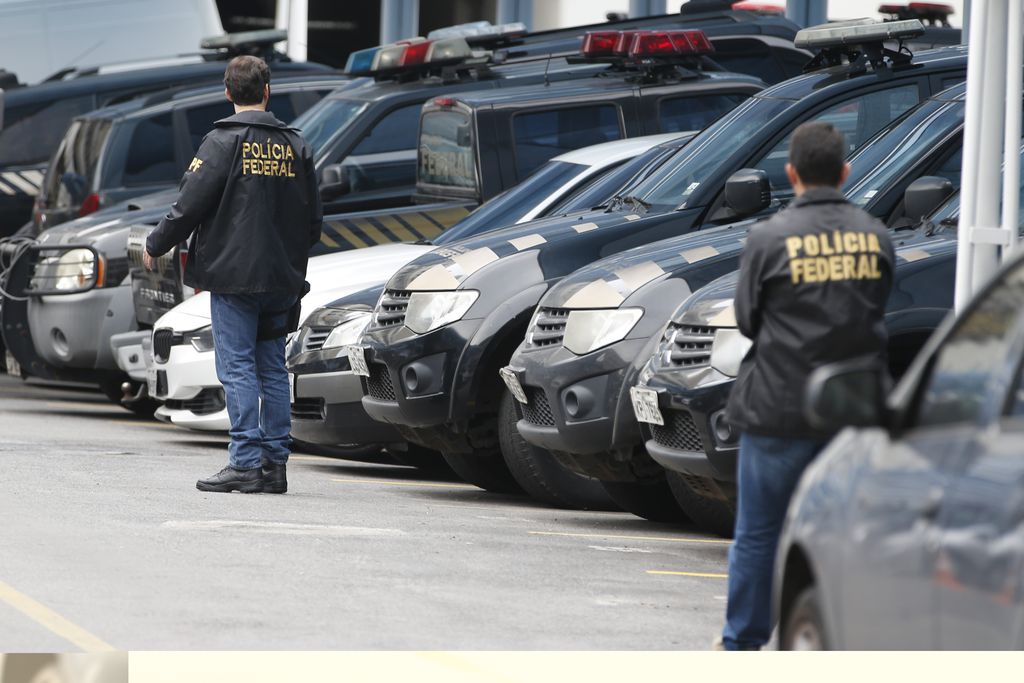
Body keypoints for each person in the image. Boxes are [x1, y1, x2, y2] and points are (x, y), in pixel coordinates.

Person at [719, 122, 895, 650]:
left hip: (778, 409)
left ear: (791, 173)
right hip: (850, 412)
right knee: (847, 536)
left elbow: (748, 320)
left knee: (759, 534)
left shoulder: (768, 238)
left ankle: (742, 644)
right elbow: (877, 309)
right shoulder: (875, 236)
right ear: (845, 172)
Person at [144, 55, 322, 494]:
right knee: (272, 368)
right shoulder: (296, 144)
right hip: (282, 278)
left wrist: (155, 244)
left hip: (234, 276)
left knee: (237, 366)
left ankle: (244, 462)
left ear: (228, 92)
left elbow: (189, 204)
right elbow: (313, 221)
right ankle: (274, 465)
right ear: (267, 91)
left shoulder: (221, 142)